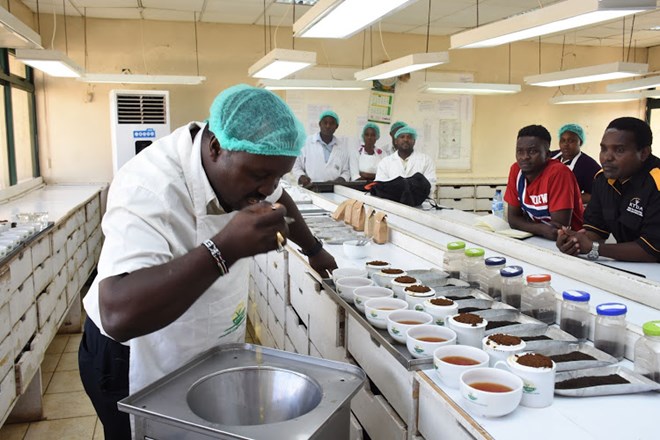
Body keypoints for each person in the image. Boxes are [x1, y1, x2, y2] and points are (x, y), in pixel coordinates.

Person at [78, 84, 338, 440]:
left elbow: (282, 200)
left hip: (201, 343)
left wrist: (313, 249)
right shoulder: (149, 187)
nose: (268, 189)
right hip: (132, 357)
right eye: (260, 176)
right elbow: (119, 315)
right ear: (216, 147)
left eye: (278, 175)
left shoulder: (253, 169)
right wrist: (224, 250)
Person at [557, 117, 660, 262]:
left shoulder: (656, 183)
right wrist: (574, 240)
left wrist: (594, 248)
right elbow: (595, 230)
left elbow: (652, 250)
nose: (607, 157)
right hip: (631, 267)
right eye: (603, 149)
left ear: (643, 153)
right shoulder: (602, 180)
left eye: (619, 150)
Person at [504, 124, 584, 240]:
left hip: (572, 242)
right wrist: (541, 229)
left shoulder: (559, 173)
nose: (524, 157)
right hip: (538, 238)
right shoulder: (516, 170)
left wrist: (526, 225)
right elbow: (513, 219)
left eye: (532, 152)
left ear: (547, 155)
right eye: (520, 151)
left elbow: (557, 230)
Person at [292, 110, 351, 188]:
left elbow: (346, 171)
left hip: (334, 190)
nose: (328, 126)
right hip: (309, 188)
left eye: (331, 123)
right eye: (325, 123)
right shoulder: (306, 142)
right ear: (320, 124)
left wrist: (340, 180)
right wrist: (301, 176)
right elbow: (296, 166)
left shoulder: (342, 147)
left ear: (336, 126)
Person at [550, 123, 601, 204]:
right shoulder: (549, 157)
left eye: (571, 141)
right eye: (563, 140)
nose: (566, 144)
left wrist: (566, 197)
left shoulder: (590, 166)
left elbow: (595, 196)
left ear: (580, 142)